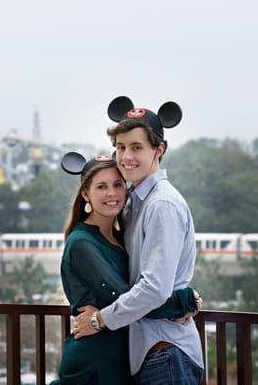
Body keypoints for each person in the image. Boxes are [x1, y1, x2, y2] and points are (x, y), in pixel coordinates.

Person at [74, 96, 204, 384]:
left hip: (166, 352)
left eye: (136, 147)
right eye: (120, 147)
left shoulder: (161, 205)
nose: (126, 157)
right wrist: (184, 299)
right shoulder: (135, 202)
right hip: (151, 352)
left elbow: (155, 288)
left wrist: (101, 319)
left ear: (159, 149)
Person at [51, 151, 199, 385]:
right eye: (101, 187)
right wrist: (183, 301)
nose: (111, 193)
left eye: (118, 184)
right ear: (86, 194)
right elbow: (127, 298)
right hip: (95, 361)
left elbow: (140, 295)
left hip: (122, 358)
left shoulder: (122, 237)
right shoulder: (82, 243)